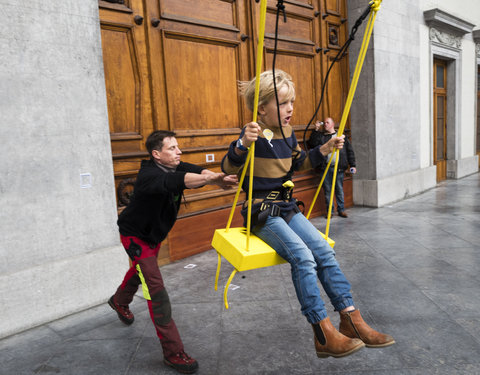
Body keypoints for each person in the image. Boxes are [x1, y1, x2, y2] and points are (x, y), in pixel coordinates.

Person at [221, 70, 394, 358]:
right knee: (302, 257)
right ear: (261, 108)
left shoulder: (288, 134)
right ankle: (322, 332)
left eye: (292, 102)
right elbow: (229, 167)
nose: (290, 109)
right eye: (283, 103)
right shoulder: (251, 134)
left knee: (324, 252)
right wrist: (242, 144)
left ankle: (351, 319)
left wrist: (325, 148)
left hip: (286, 207)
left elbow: (300, 163)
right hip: (262, 212)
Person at [109, 130, 237, 374]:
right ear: (156, 154)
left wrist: (217, 177)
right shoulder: (149, 175)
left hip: (153, 235)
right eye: (172, 148)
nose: (179, 152)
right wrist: (212, 180)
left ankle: (119, 300)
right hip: (135, 236)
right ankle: (173, 352)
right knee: (156, 289)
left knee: (141, 272)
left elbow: (199, 171)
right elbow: (177, 182)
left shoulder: (175, 165)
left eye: (178, 147)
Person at [307, 117, 356, 218]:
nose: (325, 124)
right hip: (325, 168)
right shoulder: (321, 136)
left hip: (339, 168)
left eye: (327, 122)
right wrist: (316, 129)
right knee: (328, 191)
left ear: (333, 124)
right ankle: (330, 211)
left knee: (339, 189)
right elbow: (312, 143)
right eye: (324, 123)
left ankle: (341, 210)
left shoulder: (341, 136)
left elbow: (349, 151)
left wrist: (353, 165)